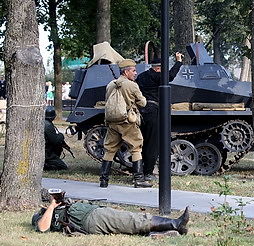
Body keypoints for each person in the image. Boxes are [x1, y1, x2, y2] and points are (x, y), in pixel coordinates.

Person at [32, 192, 190, 236]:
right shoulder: (41, 216)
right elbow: (42, 228)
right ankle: (176, 224)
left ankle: (163, 231)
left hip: (95, 213)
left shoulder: (59, 207)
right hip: (92, 220)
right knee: (130, 220)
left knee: (128, 220)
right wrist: (51, 207)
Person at [100, 59, 150, 188]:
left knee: (110, 149)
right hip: (128, 122)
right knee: (136, 148)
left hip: (112, 122)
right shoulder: (132, 85)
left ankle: (103, 180)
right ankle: (138, 179)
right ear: (126, 71)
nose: (135, 73)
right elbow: (142, 103)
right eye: (133, 70)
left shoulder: (111, 84)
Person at [135, 52, 183, 181]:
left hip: (141, 111)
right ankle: (148, 172)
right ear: (157, 68)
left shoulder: (141, 76)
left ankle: (138, 170)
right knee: (152, 143)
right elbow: (171, 76)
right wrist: (178, 61)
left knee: (141, 142)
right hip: (153, 110)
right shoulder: (156, 76)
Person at [44, 106, 68, 170]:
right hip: (46, 153)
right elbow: (55, 141)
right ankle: (46, 166)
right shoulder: (48, 125)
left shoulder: (41, 122)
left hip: (42, 151)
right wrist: (61, 136)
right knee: (63, 167)